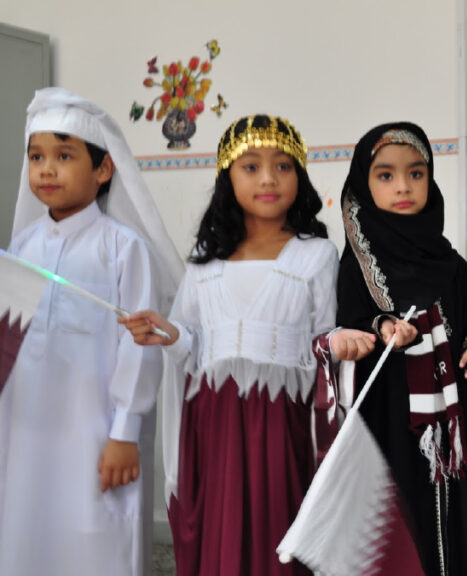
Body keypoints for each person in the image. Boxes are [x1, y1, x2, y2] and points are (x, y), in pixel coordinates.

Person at [121, 114, 375, 576]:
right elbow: (191, 349)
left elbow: (321, 339)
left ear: (299, 177)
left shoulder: (314, 254)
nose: (268, 179)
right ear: (226, 178)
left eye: (283, 166)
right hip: (215, 422)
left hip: (282, 421)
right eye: (250, 166)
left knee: (278, 530)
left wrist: (338, 341)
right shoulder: (204, 264)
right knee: (224, 530)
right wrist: (169, 334)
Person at [0, 87, 183, 575]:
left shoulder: (124, 248)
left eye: (64, 155)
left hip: (98, 428)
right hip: (26, 425)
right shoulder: (23, 245)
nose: (46, 169)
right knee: (24, 528)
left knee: (98, 536)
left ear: (103, 170)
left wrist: (125, 431)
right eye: (36, 156)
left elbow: (140, 348)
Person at [335, 121, 467, 576]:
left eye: (416, 173)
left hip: (452, 426)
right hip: (387, 422)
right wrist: (379, 327)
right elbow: (344, 327)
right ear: (362, 186)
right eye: (385, 175)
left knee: (454, 527)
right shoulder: (354, 265)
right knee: (396, 531)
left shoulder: (451, 264)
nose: (403, 186)